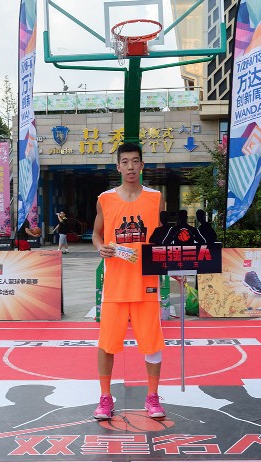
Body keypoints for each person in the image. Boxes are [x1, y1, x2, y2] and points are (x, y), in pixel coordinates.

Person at [92, 142, 166, 420]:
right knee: (107, 344)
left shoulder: (156, 198)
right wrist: (100, 247)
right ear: (118, 166)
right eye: (125, 162)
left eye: (135, 161)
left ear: (142, 165)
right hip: (115, 285)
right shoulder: (105, 199)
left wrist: (176, 269)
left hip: (147, 283)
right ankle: (105, 397)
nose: (131, 167)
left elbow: (164, 239)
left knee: (152, 344)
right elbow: (97, 234)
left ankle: (152, 396)